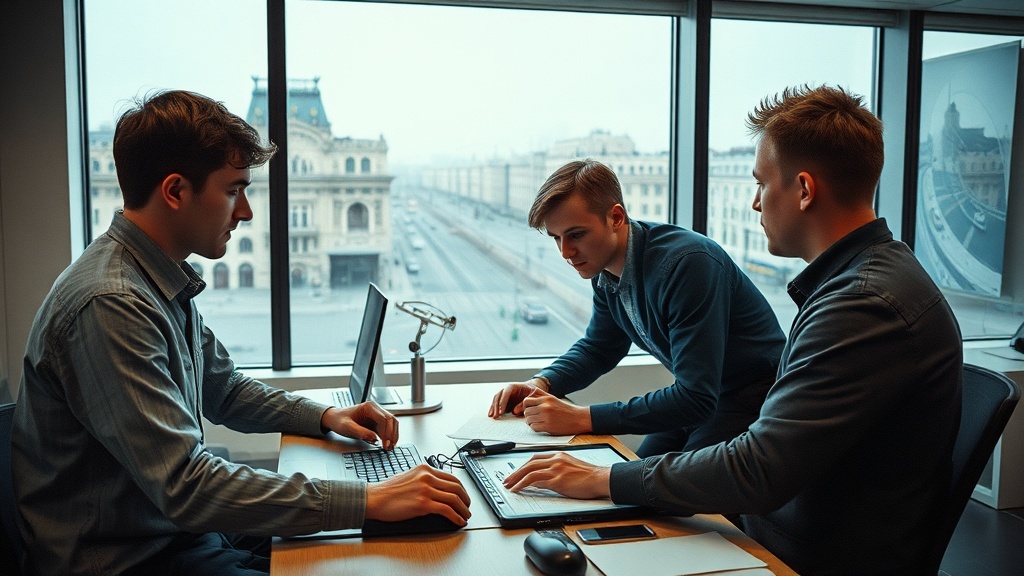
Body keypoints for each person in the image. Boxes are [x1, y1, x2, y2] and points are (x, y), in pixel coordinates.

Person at [501, 85, 963, 575]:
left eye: (761, 183)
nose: (755, 204)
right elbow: (602, 344)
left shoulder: (862, 304)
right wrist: (557, 401)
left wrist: (602, 477)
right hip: (796, 515)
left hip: (811, 549)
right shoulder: (855, 283)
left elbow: (757, 469)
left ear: (804, 190)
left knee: (623, 525)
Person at [11, 90, 470, 576]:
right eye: (233, 190)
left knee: (357, 549)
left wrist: (327, 416)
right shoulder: (113, 303)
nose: (246, 211)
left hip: (170, 533)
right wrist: (371, 498)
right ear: (174, 191)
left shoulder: (155, 276)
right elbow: (186, 486)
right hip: (126, 559)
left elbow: (224, 388)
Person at [488, 159, 785, 457]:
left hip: (754, 402)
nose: (565, 252)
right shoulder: (604, 270)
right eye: (556, 238)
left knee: (655, 492)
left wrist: (581, 418)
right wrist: (541, 382)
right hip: (701, 397)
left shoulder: (687, 264)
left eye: (576, 235)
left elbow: (696, 398)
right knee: (636, 476)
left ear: (616, 217)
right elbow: (600, 348)